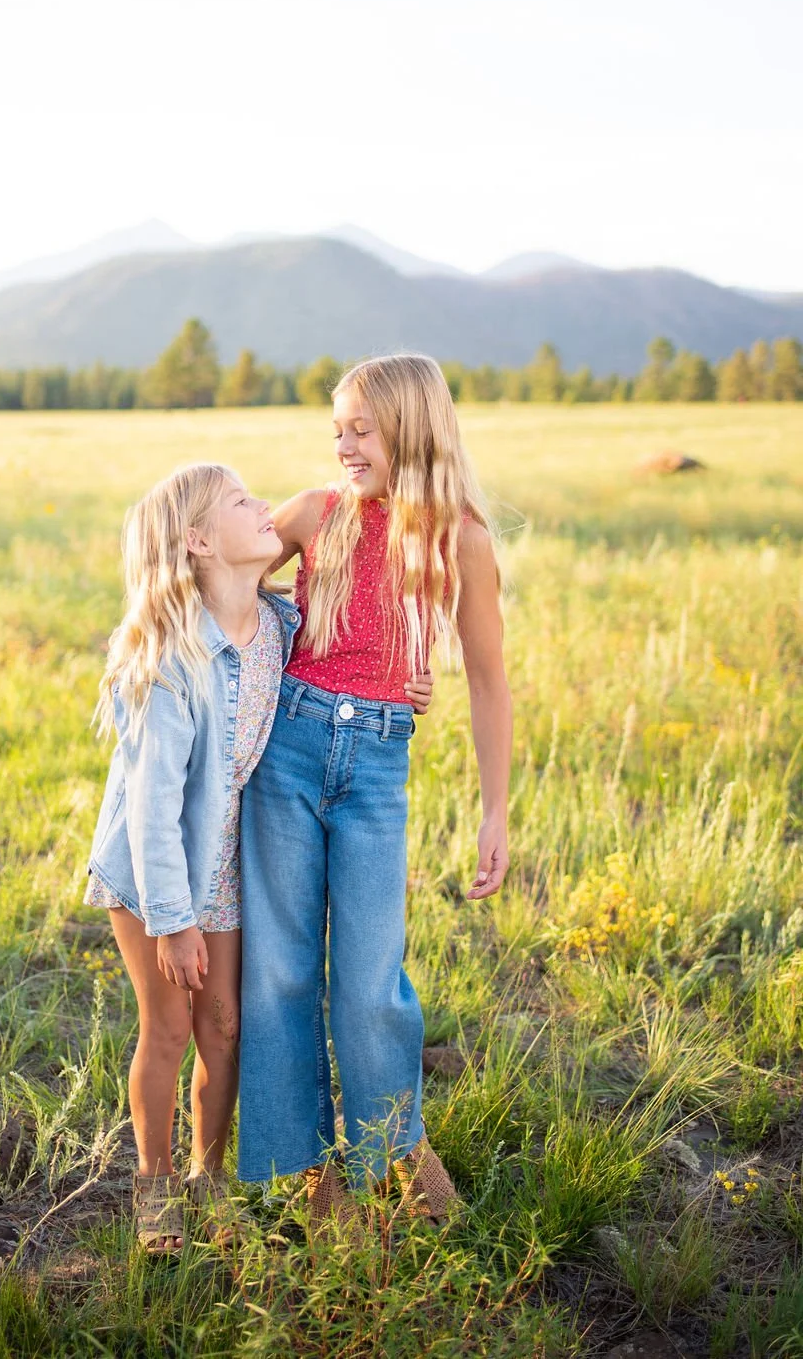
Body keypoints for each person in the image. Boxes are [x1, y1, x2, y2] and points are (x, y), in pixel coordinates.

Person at [85, 460, 435, 1253]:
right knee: (168, 1027)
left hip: (224, 865)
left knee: (227, 1025)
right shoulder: (170, 662)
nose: (264, 505)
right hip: (152, 875)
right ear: (201, 541)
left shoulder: (277, 629)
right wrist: (175, 924)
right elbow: (151, 813)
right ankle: (156, 1186)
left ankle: (209, 1179)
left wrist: (409, 682)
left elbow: (352, 653)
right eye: (243, 502)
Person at [237, 353, 512, 1235]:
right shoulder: (318, 512)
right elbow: (223, 583)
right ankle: (310, 1173)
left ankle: (394, 1148)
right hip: (290, 749)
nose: (345, 445)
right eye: (338, 430)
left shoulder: (460, 537)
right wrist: (277, 613)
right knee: (280, 969)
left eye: (363, 428)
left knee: (369, 978)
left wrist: (495, 810)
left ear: (412, 427)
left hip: (379, 769)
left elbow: (489, 678)